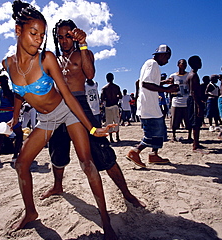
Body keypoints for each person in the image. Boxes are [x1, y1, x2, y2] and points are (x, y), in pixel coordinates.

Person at [4, 3, 117, 240]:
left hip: (66, 111)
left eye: (42, 35)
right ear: (18, 30)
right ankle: (31, 212)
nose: (38, 39)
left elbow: (66, 93)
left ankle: (106, 220)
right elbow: (17, 91)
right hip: (46, 119)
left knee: (87, 163)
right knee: (22, 164)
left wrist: (92, 128)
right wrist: (15, 116)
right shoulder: (8, 64)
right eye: (33, 33)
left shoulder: (46, 58)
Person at [42, 19, 145, 210]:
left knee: (102, 151)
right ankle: (58, 186)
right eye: (60, 37)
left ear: (74, 35)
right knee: (57, 151)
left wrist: (82, 44)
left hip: (80, 104)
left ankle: (127, 193)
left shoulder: (84, 53)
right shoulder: (53, 59)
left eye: (68, 36)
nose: (64, 41)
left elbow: (89, 75)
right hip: (58, 107)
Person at [126, 44, 178, 168]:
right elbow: (145, 84)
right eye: (167, 58)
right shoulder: (152, 64)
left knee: (160, 131)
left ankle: (153, 154)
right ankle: (134, 152)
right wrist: (167, 90)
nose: (167, 61)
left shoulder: (151, 64)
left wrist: (164, 82)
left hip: (151, 105)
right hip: (148, 106)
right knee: (152, 133)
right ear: (163, 55)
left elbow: (150, 82)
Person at [0, 73, 23, 164]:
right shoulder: (8, 91)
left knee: (0, 136)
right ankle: (15, 156)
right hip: (8, 113)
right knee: (19, 134)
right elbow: (13, 103)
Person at [166, 59, 192, 142]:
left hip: (187, 100)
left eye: (185, 64)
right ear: (178, 65)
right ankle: (173, 136)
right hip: (176, 100)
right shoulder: (173, 76)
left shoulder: (189, 75)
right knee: (174, 119)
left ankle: (189, 136)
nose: (184, 65)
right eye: (182, 64)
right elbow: (170, 88)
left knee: (188, 119)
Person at [186, 55, 207, 153]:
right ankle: (195, 145)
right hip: (194, 100)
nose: (201, 63)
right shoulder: (193, 75)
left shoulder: (191, 74)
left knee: (196, 122)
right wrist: (198, 105)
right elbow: (193, 92)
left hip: (193, 100)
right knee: (196, 123)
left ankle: (196, 143)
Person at [101, 72, 122, 142]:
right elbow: (120, 96)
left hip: (108, 106)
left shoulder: (104, 88)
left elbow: (102, 98)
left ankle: (111, 138)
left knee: (109, 122)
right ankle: (117, 137)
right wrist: (116, 98)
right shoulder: (116, 87)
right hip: (115, 105)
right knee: (116, 121)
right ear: (113, 78)